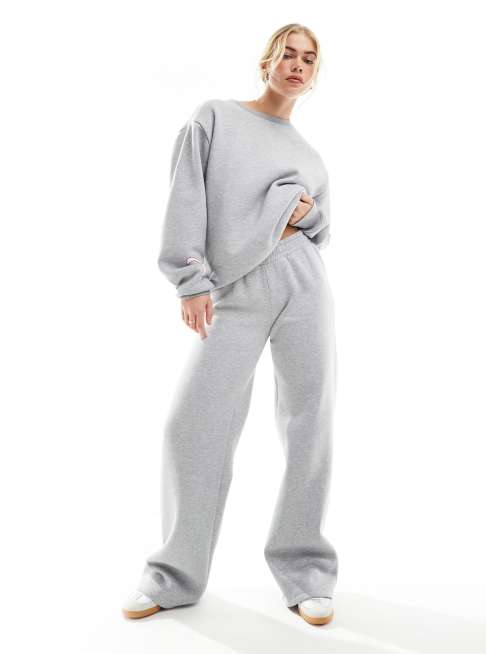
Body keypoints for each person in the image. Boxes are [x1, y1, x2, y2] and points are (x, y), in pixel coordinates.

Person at [122, 23, 338, 627]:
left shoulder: (310, 156)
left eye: (309, 60)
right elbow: (186, 196)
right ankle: (174, 574)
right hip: (234, 290)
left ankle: (306, 571)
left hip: (302, 282)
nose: (298, 65)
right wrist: (190, 280)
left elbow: (323, 226)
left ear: (314, 75)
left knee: (308, 423)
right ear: (267, 61)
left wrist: (306, 210)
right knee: (190, 424)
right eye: (288, 54)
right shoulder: (215, 117)